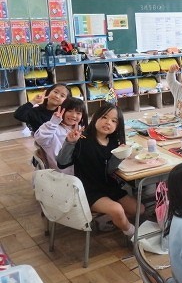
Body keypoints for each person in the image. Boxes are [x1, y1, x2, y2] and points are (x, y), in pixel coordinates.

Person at [56, 104, 140, 237]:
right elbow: (62, 163)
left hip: (109, 187)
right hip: (88, 189)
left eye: (114, 121)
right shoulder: (82, 140)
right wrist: (70, 142)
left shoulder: (113, 142)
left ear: (118, 126)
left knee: (139, 209)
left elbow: (109, 170)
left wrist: (120, 156)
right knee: (117, 210)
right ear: (95, 118)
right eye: (104, 117)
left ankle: (106, 219)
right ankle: (134, 236)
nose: (108, 122)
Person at [34, 97, 88, 175]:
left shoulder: (81, 129)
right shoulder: (53, 128)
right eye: (70, 111)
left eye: (78, 113)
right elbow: (40, 138)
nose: (73, 115)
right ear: (63, 111)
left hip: (82, 169)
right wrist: (54, 122)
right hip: (65, 174)